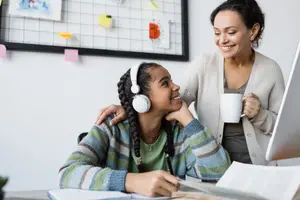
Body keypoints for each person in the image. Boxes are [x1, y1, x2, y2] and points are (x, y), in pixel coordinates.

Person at [94, 0, 285, 166]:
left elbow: (285, 131)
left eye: (231, 32)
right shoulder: (204, 64)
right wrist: (131, 108)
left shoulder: (270, 70)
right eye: (217, 33)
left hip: (259, 167)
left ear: (253, 31)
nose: (222, 40)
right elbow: (171, 101)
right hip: (211, 165)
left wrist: (259, 115)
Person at [58, 62, 231, 197]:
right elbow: (67, 173)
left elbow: (219, 173)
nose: (176, 86)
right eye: (165, 83)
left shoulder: (180, 132)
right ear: (141, 99)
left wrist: (189, 121)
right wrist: (131, 181)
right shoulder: (111, 127)